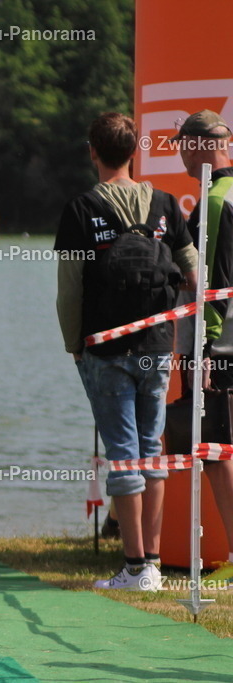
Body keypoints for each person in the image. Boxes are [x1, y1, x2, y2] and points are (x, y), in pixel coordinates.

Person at [55, 112, 198, 590]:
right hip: (158, 344)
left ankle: (134, 567)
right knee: (150, 448)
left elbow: (69, 291)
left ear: (92, 151)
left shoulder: (80, 209)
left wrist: (74, 344)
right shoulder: (163, 204)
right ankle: (153, 563)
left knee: (122, 452)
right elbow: (193, 274)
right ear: (134, 152)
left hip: (105, 345)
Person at [175, 110, 233, 582]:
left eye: (180, 143)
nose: (177, 153)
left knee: (217, 451)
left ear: (196, 144)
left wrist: (206, 353)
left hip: (219, 344)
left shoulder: (212, 202)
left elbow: (206, 283)